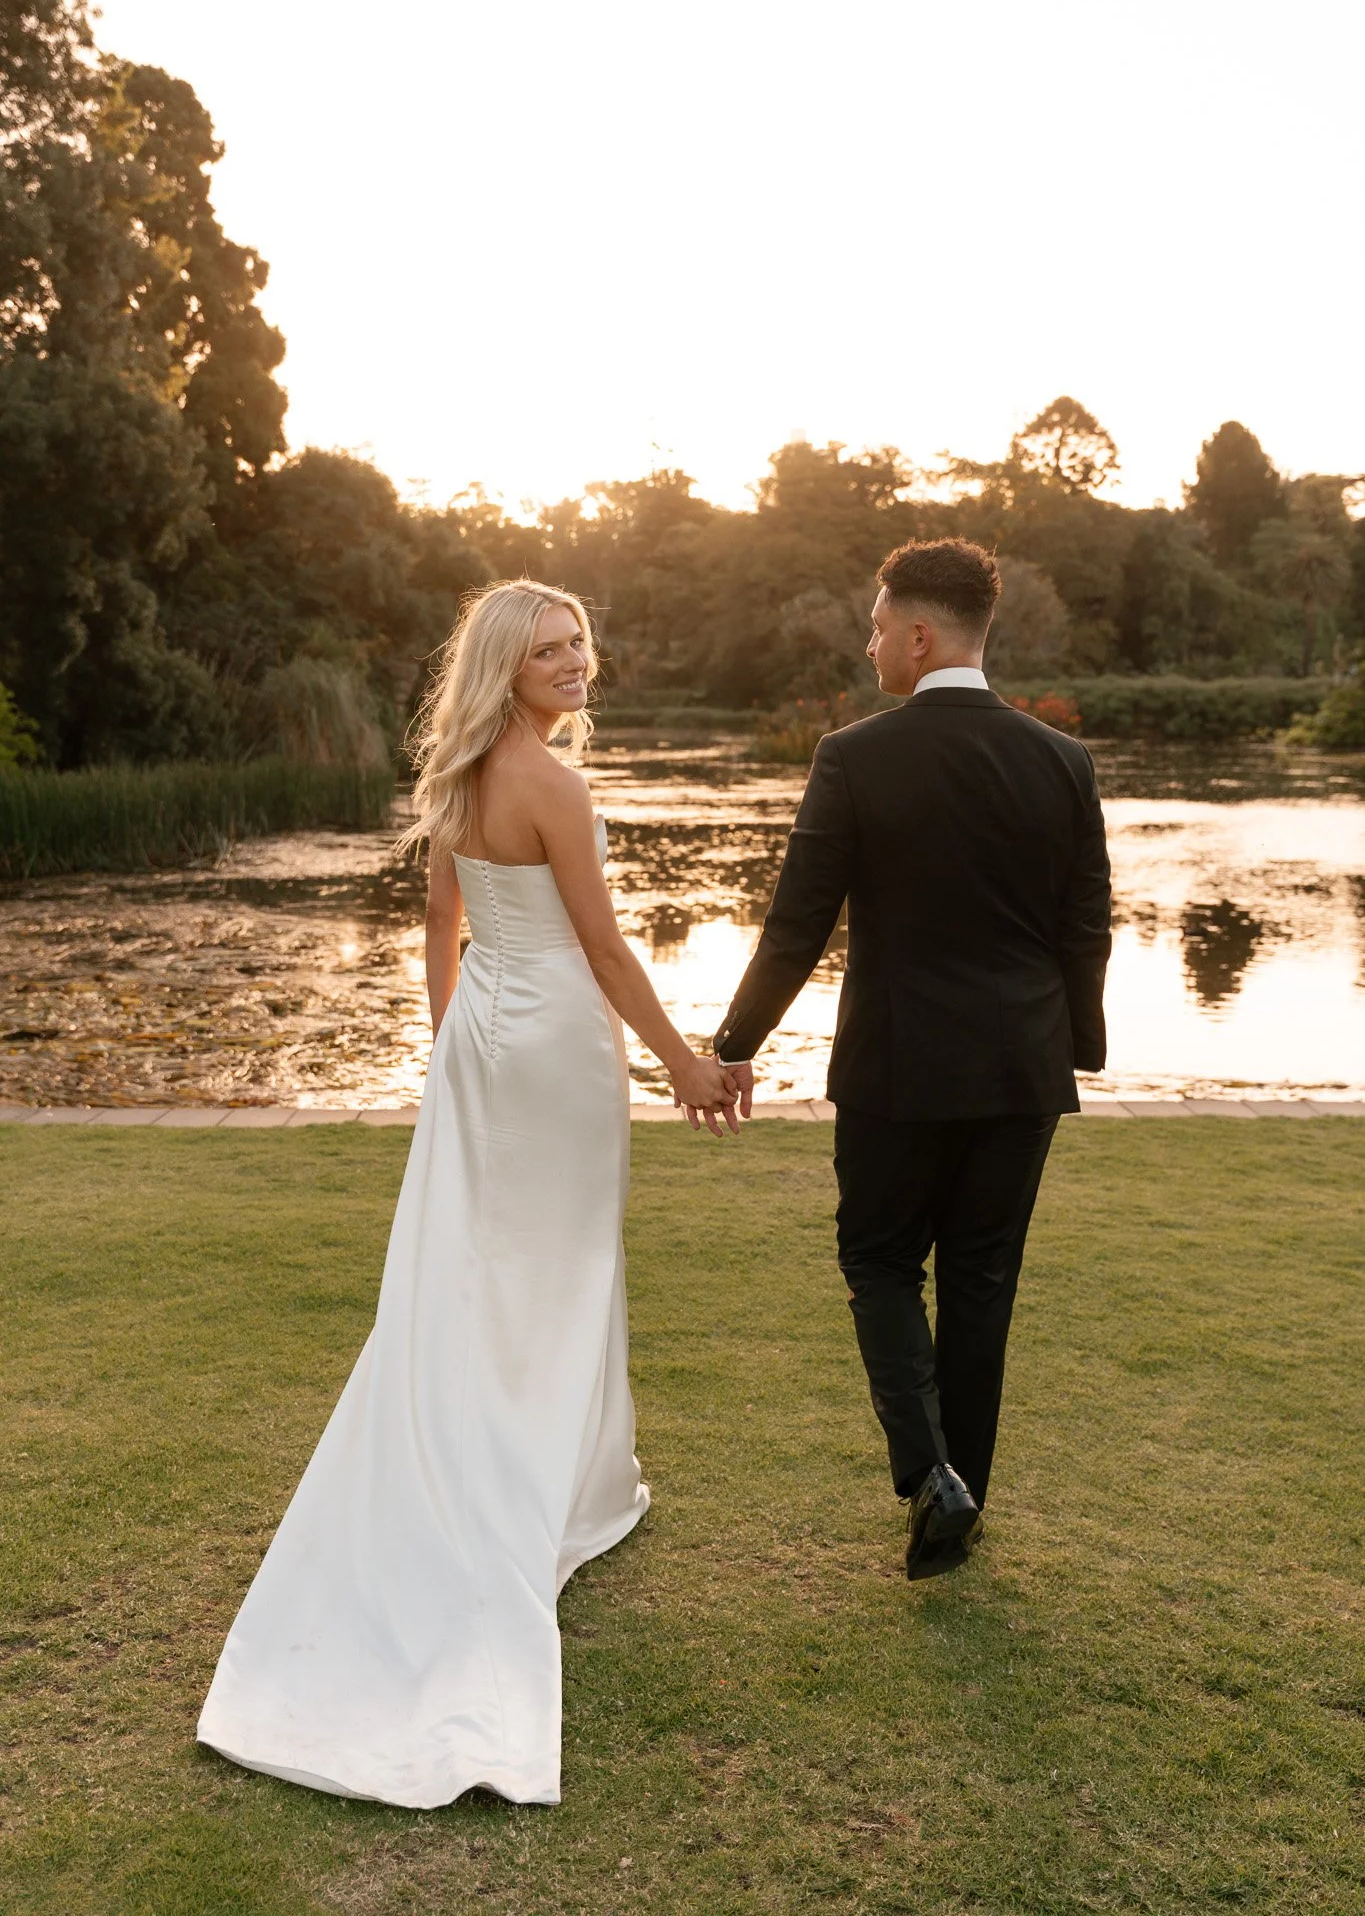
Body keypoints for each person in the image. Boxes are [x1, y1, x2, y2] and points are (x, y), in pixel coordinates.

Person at [198, 580, 737, 1808]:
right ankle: (543, 1486)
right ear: (506, 663)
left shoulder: (459, 769)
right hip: (552, 1039)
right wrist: (684, 1062)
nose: (574, 663)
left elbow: (440, 923)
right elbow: (601, 949)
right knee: (559, 1266)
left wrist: (453, 1041)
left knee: (483, 1266)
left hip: (489, 1038)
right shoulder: (554, 781)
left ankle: (572, 1474)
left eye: (581, 644)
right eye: (548, 651)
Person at [714, 539, 1111, 1580]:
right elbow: (1086, 926)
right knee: (982, 1280)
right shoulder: (1064, 762)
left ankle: (930, 1476)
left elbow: (796, 926)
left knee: (881, 1262)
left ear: (921, 635)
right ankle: (958, 1498)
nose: (871, 640)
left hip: (896, 1068)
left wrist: (733, 1046)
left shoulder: (853, 757)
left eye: (880, 624)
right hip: (1023, 1068)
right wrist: (1083, 1045)